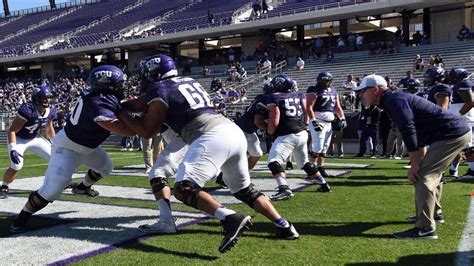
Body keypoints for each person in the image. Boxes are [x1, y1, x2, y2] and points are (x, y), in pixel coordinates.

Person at [117, 54, 299, 253]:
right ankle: (285, 225)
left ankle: (229, 217)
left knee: (183, 188)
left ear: (153, 73)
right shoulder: (186, 81)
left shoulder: (159, 88)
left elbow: (146, 131)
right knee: (245, 190)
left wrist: (118, 111)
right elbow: (142, 104)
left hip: (210, 135)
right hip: (232, 132)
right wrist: (123, 104)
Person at [9, 65, 137, 234]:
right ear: (106, 86)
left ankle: (82, 188)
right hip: (67, 147)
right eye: (119, 84)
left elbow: (124, 106)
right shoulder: (98, 101)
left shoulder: (102, 96)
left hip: (88, 147)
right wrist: (145, 126)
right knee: (52, 191)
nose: (122, 87)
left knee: (105, 167)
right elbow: (127, 129)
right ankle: (23, 216)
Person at [355, 74, 470, 239]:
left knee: (423, 175)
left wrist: (415, 164)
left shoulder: (393, 100)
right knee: (431, 174)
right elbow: (417, 131)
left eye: (363, 91)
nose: (360, 95)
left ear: (375, 89)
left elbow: (409, 130)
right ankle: (434, 215)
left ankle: (425, 228)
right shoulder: (391, 100)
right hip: (451, 133)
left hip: (451, 134)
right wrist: (418, 160)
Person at [0, 86, 56, 199]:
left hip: (35, 138)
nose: (47, 100)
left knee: (57, 158)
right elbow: (12, 130)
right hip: (19, 138)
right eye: (44, 98)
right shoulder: (27, 110)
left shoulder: (50, 111)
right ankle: (4, 186)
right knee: (17, 165)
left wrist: (56, 143)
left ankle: (53, 184)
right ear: (36, 98)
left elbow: (49, 129)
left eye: (48, 98)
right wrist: (13, 149)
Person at [306, 71, 346, 178]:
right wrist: (313, 121)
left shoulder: (333, 90)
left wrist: (342, 118)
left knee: (324, 147)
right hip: (318, 119)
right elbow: (308, 107)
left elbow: (337, 107)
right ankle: (312, 171)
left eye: (325, 80)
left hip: (329, 122)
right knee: (317, 146)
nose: (323, 82)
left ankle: (320, 167)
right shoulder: (313, 90)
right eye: (322, 80)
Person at [234, 84, 271, 170]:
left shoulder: (261, 97)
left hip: (248, 130)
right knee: (233, 156)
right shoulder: (265, 99)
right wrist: (270, 130)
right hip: (241, 129)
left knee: (257, 153)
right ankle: (223, 177)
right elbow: (258, 121)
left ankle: (244, 175)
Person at [446, 67, 474, 178]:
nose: (450, 77)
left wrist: (458, 115)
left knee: (468, 146)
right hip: (463, 119)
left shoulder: (464, 84)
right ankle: (455, 170)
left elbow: (470, 102)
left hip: (465, 119)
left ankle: (472, 171)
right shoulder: (461, 85)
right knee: (457, 145)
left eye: (452, 75)